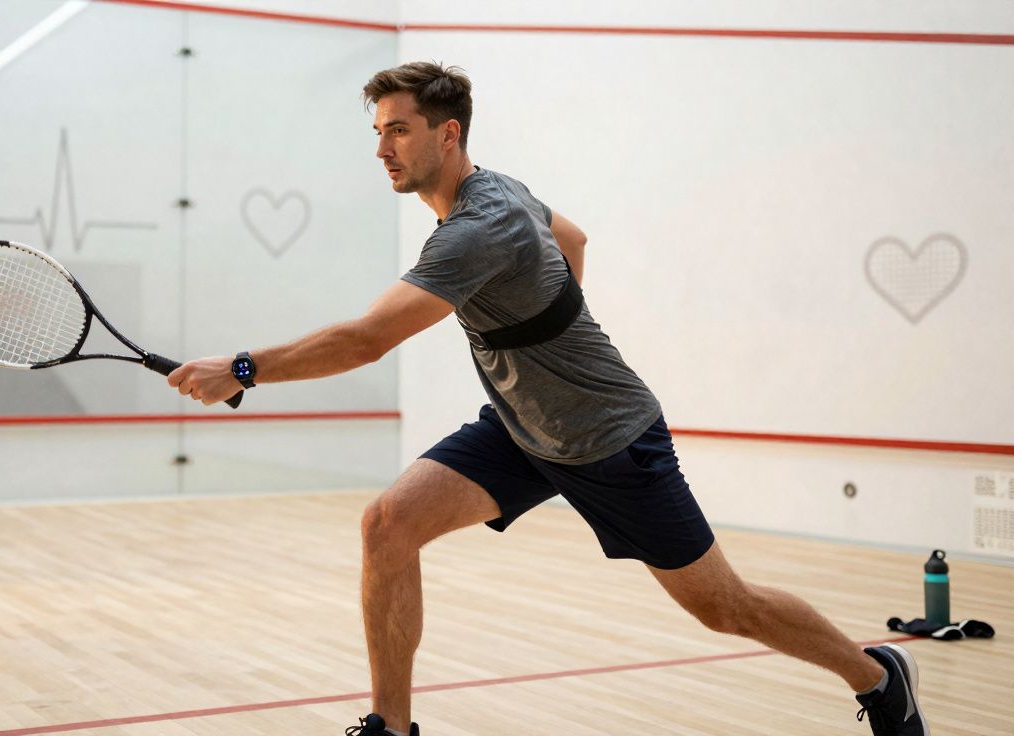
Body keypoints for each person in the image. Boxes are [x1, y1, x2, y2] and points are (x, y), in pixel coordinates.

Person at [167, 61, 927, 736]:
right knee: (387, 526)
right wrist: (548, 343)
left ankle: (877, 676)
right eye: (378, 132)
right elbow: (578, 240)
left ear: (447, 133)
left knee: (726, 607)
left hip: (612, 441)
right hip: (524, 431)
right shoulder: (503, 188)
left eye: (398, 131)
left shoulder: (472, 231)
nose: (382, 150)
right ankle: (391, 728)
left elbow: (367, 340)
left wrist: (242, 367)